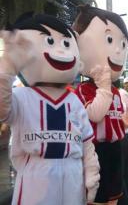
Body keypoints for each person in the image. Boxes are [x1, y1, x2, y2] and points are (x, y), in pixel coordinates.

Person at [0, 13, 100, 204]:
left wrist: (91, 177)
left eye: (66, 44)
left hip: (73, 176)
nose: (61, 52)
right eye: (49, 42)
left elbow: (87, 144)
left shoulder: (74, 100)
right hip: (35, 178)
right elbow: (1, 109)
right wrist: (7, 69)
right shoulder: (21, 97)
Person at [73, 5, 128, 205]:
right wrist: (104, 85)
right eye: (109, 40)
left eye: (122, 44)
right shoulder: (84, 89)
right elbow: (95, 115)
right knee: (96, 197)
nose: (117, 50)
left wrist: (127, 120)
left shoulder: (115, 92)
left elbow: (113, 124)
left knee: (115, 197)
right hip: (94, 153)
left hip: (115, 149)